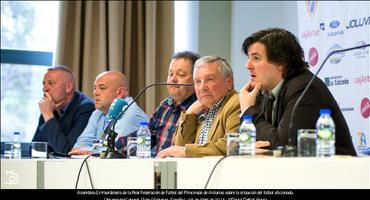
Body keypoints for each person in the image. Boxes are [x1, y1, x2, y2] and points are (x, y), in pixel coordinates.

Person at [238, 27, 356, 156]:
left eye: (256, 58)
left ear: (281, 62)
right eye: (249, 58)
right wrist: (247, 148)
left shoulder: (306, 88)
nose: (248, 65)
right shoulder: (263, 92)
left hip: (335, 171)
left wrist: (248, 109)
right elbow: (239, 143)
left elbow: (285, 146)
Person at [156, 55, 241, 158]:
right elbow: (179, 148)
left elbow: (232, 146)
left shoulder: (237, 103)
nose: (202, 87)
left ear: (229, 82)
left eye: (209, 79)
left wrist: (186, 151)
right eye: (198, 81)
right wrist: (189, 114)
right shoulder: (202, 108)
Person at [118, 51, 199, 157]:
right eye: (170, 74)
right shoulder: (165, 106)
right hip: (158, 169)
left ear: (196, 79)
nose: (173, 79)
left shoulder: (200, 108)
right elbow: (146, 136)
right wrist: (112, 148)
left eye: (181, 74)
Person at [69, 71, 149, 155]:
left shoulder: (131, 114)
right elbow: (80, 145)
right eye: (95, 88)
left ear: (120, 92)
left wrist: (89, 151)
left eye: (102, 88)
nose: (95, 93)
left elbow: (113, 150)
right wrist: (90, 150)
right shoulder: (98, 113)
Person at [32, 66, 95, 154]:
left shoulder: (86, 108)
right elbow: (35, 149)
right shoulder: (49, 106)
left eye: (51, 83)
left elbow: (68, 152)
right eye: (44, 83)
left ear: (68, 87)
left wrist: (48, 115)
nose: (44, 88)